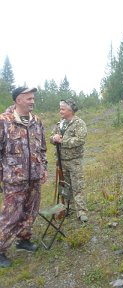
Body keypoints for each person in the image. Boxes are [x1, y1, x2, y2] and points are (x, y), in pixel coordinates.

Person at [0, 87, 48, 268]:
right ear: (18, 100)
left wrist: (43, 167)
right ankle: (0, 249)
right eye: (29, 98)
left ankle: (23, 240)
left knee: (31, 211)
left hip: (34, 177)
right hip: (14, 179)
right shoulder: (4, 121)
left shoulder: (37, 121)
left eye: (33, 98)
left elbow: (42, 148)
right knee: (10, 215)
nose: (32, 101)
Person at [50, 99, 88, 223]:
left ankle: (81, 212)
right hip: (61, 161)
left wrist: (62, 141)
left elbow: (80, 140)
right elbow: (52, 138)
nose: (60, 111)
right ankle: (67, 208)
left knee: (77, 186)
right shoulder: (59, 124)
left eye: (63, 109)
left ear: (70, 110)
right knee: (64, 186)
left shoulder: (79, 123)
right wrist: (54, 138)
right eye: (60, 108)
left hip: (74, 161)